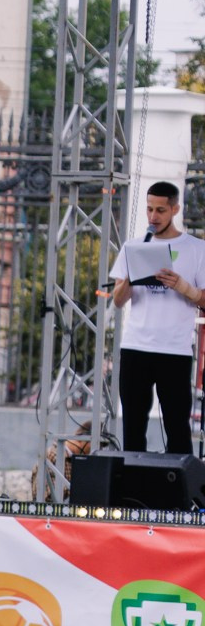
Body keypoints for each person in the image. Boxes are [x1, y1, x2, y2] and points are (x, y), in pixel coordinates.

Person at [107, 180, 205, 456]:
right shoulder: (133, 246)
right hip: (136, 347)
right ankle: (134, 495)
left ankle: (180, 496)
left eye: (160, 210)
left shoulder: (196, 249)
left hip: (174, 349)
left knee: (177, 427)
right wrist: (131, 278)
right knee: (133, 427)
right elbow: (118, 299)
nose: (153, 217)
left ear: (175, 209)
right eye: (149, 209)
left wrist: (184, 287)